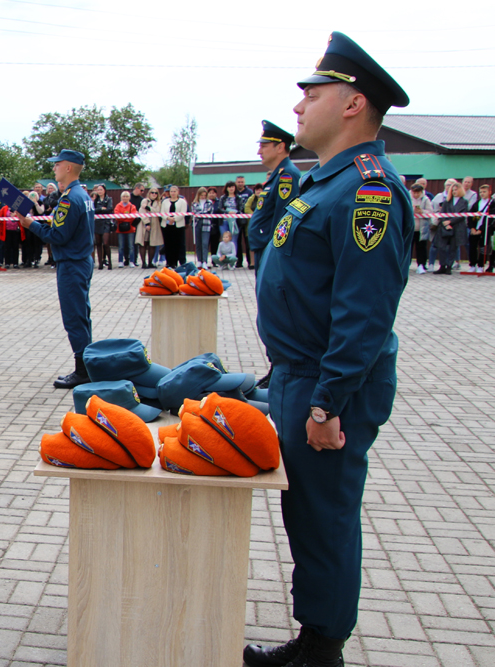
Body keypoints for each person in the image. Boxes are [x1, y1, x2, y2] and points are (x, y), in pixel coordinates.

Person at [247, 31, 413, 667]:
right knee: (308, 515)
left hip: (328, 384)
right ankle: (314, 635)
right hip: (300, 375)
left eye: (312, 94)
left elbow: (364, 314)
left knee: (326, 516)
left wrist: (325, 405)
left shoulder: (366, 190)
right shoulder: (328, 182)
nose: (298, 108)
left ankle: (323, 649)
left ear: (352, 105)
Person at [17, 150, 94, 388]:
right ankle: (87, 366)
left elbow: (59, 236)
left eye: (57, 164)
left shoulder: (70, 198)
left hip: (72, 264)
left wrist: (31, 224)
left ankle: (83, 371)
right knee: (81, 316)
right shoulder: (81, 195)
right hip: (80, 261)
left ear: (69, 168)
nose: (54, 168)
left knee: (74, 318)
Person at [249, 120, 302, 271]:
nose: (259, 152)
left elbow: (283, 216)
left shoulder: (287, 175)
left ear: (280, 147)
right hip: (264, 247)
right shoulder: (278, 174)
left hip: (271, 250)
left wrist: (274, 250)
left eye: (264, 146)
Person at [434, 180, 468, 275]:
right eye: (453, 190)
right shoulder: (447, 202)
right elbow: (442, 213)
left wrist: (451, 222)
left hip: (457, 227)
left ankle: (449, 266)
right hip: (445, 227)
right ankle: (442, 266)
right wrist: (446, 223)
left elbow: (462, 215)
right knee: (442, 247)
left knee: (453, 247)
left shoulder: (464, 202)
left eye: (456, 190)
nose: (454, 191)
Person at [160, 185, 187, 268]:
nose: (173, 193)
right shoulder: (165, 202)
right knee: (168, 244)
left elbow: (183, 213)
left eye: (174, 191)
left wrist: (174, 219)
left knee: (177, 244)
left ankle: (175, 262)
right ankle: (169, 262)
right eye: (171, 191)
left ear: (178, 192)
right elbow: (162, 212)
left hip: (178, 226)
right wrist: (168, 218)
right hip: (167, 226)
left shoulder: (182, 201)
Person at [410, 183, 434, 274]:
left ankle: (421, 265)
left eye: (418, 193)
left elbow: (430, 211)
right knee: (408, 248)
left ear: (421, 192)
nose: (416, 195)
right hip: (411, 228)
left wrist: (422, 211)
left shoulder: (425, 199)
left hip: (422, 228)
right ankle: (405, 265)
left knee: (421, 248)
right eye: (414, 193)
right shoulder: (408, 198)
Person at [467, 183, 490, 272]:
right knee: (472, 247)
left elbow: (491, 219)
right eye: (481, 192)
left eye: (484, 192)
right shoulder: (477, 203)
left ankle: (481, 265)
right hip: (474, 229)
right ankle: (472, 264)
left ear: (489, 192)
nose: (482, 193)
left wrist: (481, 229)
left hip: (485, 230)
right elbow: (470, 216)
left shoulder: (491, 204)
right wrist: (472, 227)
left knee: (483, 248)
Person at [138, 187, 162, 268]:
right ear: (149, 193)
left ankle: (150, 262)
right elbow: (142, 211)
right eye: (152, 192)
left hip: (155, 224)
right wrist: (147, 223)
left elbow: (158, 211)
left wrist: (148, 208)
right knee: (143, 243)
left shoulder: (158, 202)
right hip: (144, 224)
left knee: (153, 244)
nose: (154, 194)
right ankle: (143, 263)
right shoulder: (145, 200)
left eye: (156, 193)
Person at [190, 187, 215, 267]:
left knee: (205, 243)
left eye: (204, 195)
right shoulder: (194, 203)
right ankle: (199, 260)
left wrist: (201, 214)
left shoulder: (209, 203)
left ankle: (205, 261)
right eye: (201, 195)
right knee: (198, 243)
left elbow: (209, 211)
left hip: (206, 224)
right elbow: (195, 212)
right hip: (197, 224)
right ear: (198, 195)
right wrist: (202, 213)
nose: (203, 197)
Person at [92, 184, 113, 270]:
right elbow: (94, 210)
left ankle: (109, 262)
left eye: (101, 189)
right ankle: (100, 263)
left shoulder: (109, 199)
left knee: (106, 243)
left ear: (104, 190)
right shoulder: (96, 200)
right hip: (97, 223)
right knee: (98, 243)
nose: (99, 191)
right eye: (98, 190)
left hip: (106, 223)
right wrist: (101, 209)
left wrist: (103, 209)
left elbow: (109, 209)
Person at [114, 191, 138, 267]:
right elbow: (117, 216)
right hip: (120, 229)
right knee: (121, 246)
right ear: (121, 197)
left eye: (126, 196)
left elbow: (133, 217)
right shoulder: (118, 206)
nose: (125, 198)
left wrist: (123, 217)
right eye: (123, 196)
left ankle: (132, 261)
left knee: (131, 246)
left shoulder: (132, 206)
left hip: (130, 229)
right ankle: (120, 261)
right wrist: (126, 216)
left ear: (129, 197)